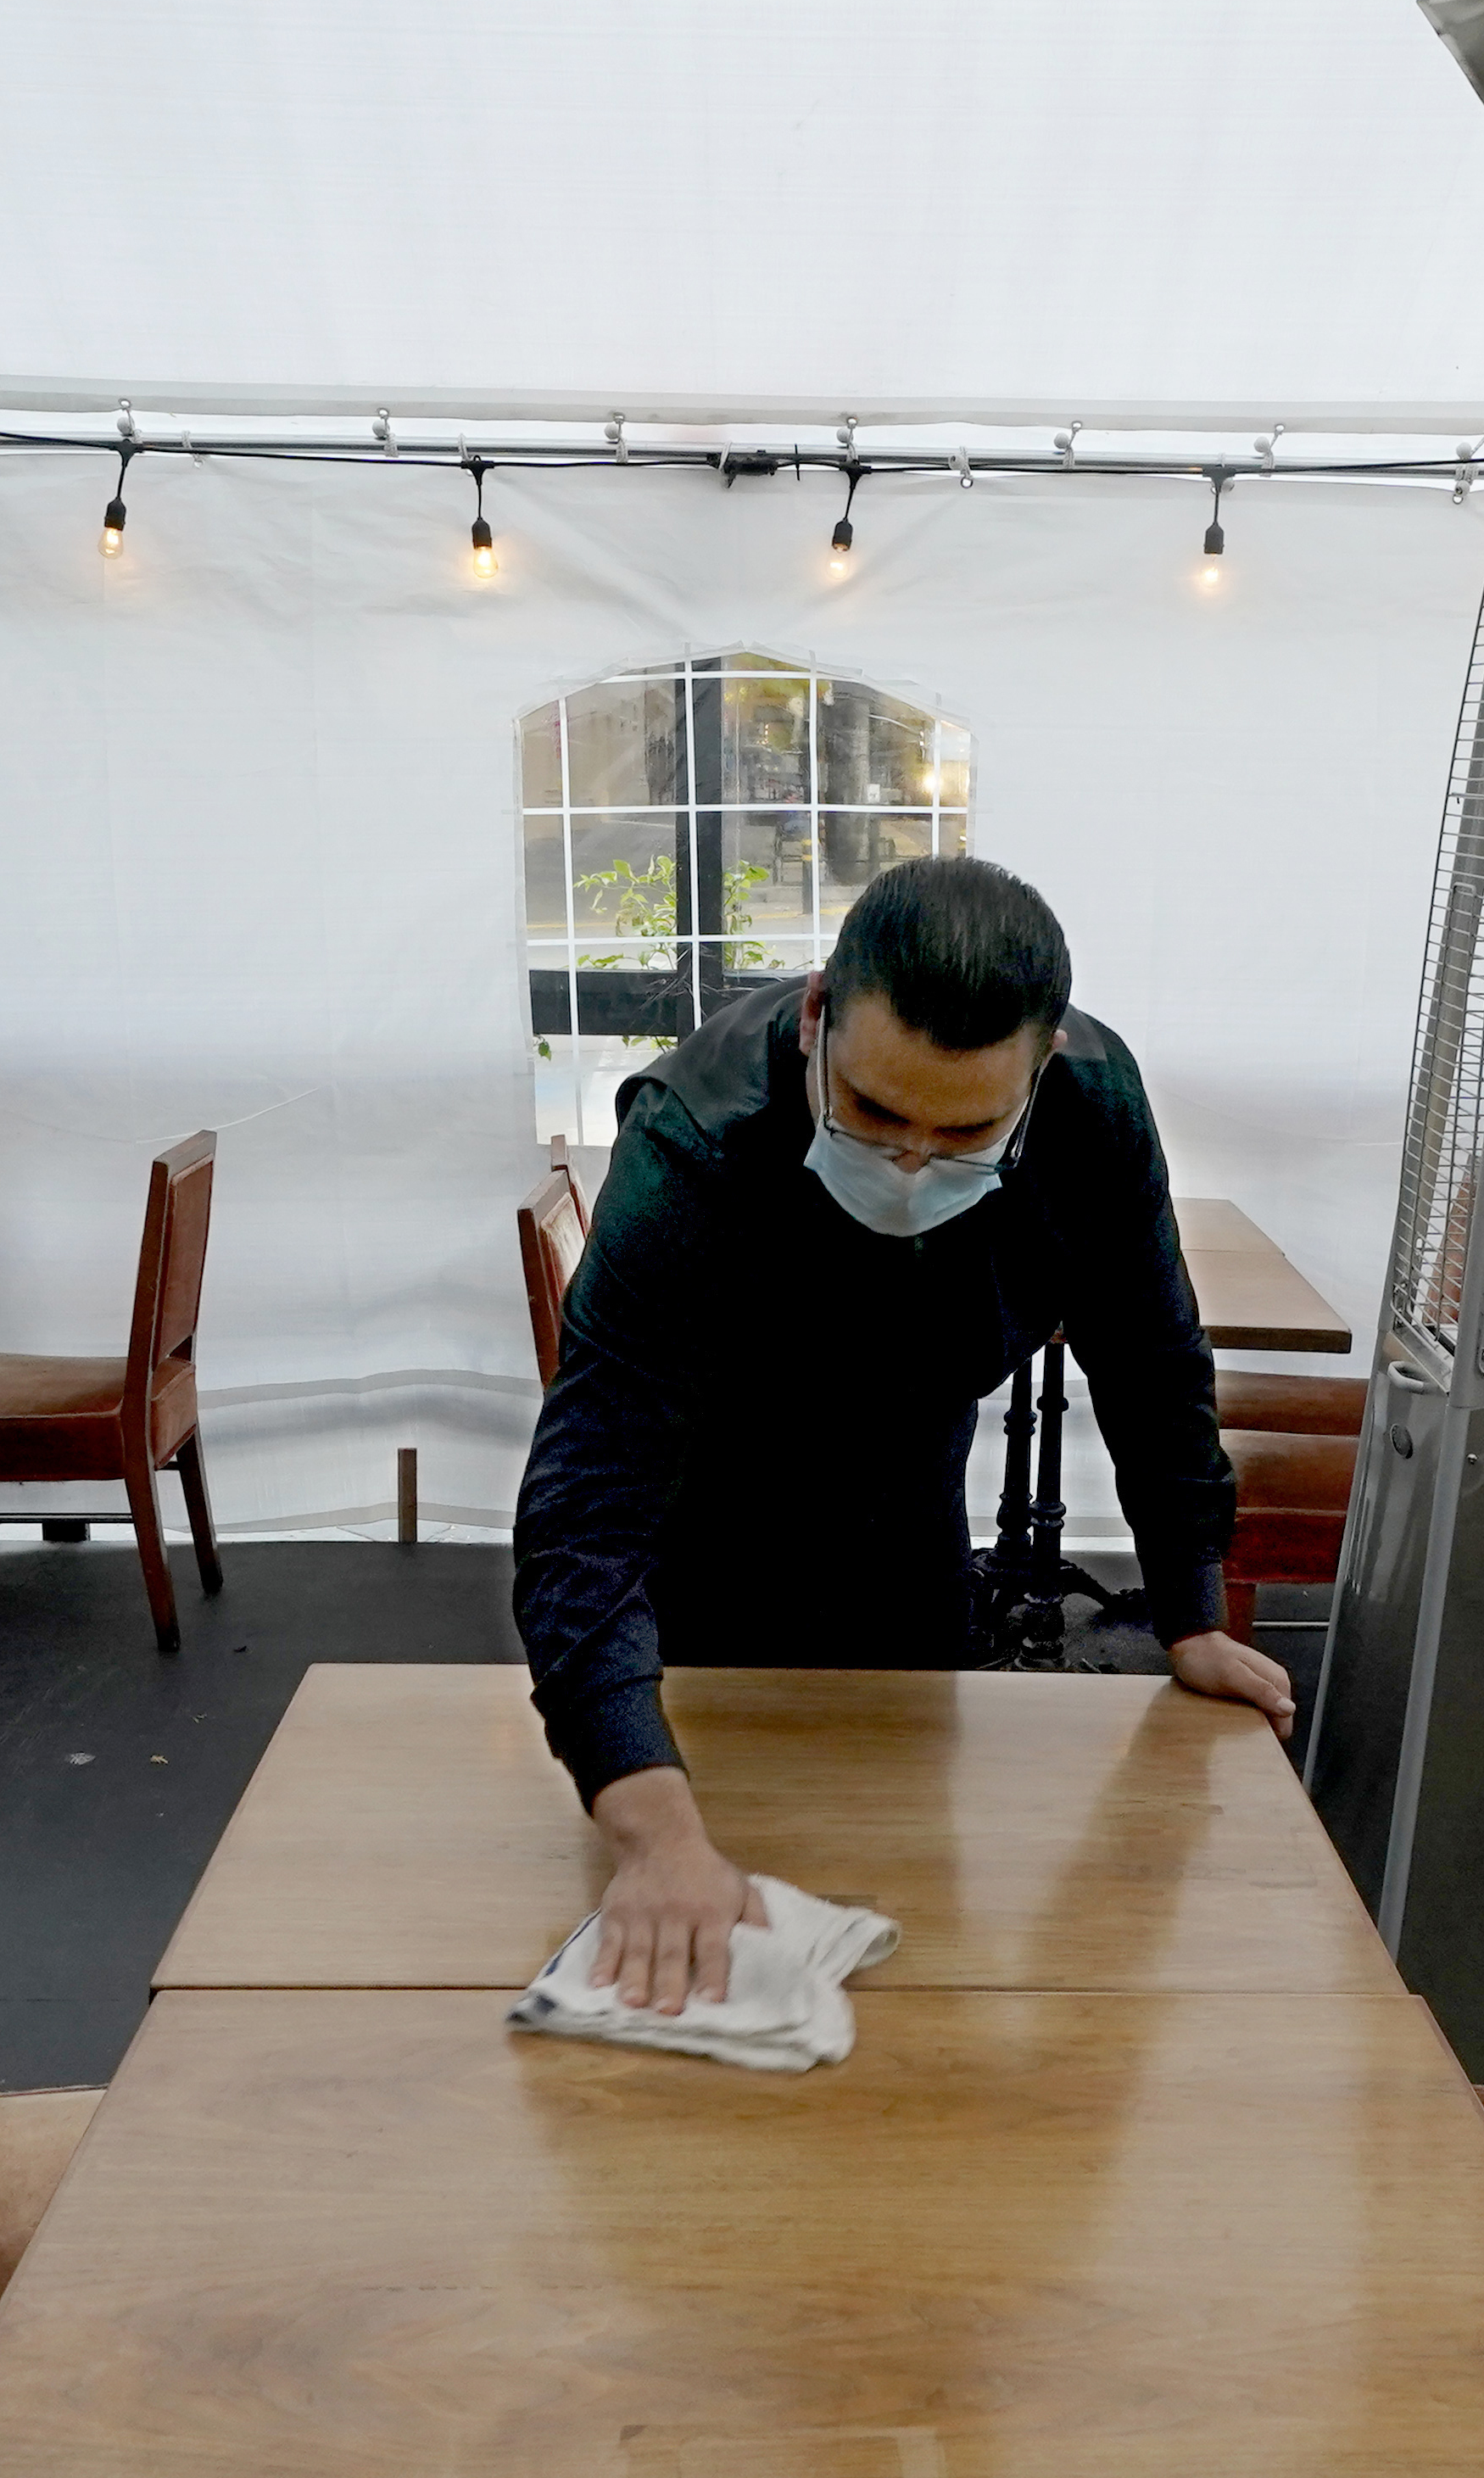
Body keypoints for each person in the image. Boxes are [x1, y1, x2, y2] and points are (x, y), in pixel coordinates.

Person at [515, 853, 1292, 2014]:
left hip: (912, 1518)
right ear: (818, 1014)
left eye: (965, 1128)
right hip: (702, 1540)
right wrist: (647, 1817)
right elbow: (590, 1498)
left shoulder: (1093, 1110)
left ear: (1039, 1073)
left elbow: (1151, 1359)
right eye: (874, 1110)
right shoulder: (694, 1142)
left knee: (910, 1937)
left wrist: (1188, 1610)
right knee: (685, 1952)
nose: (911, 1160)